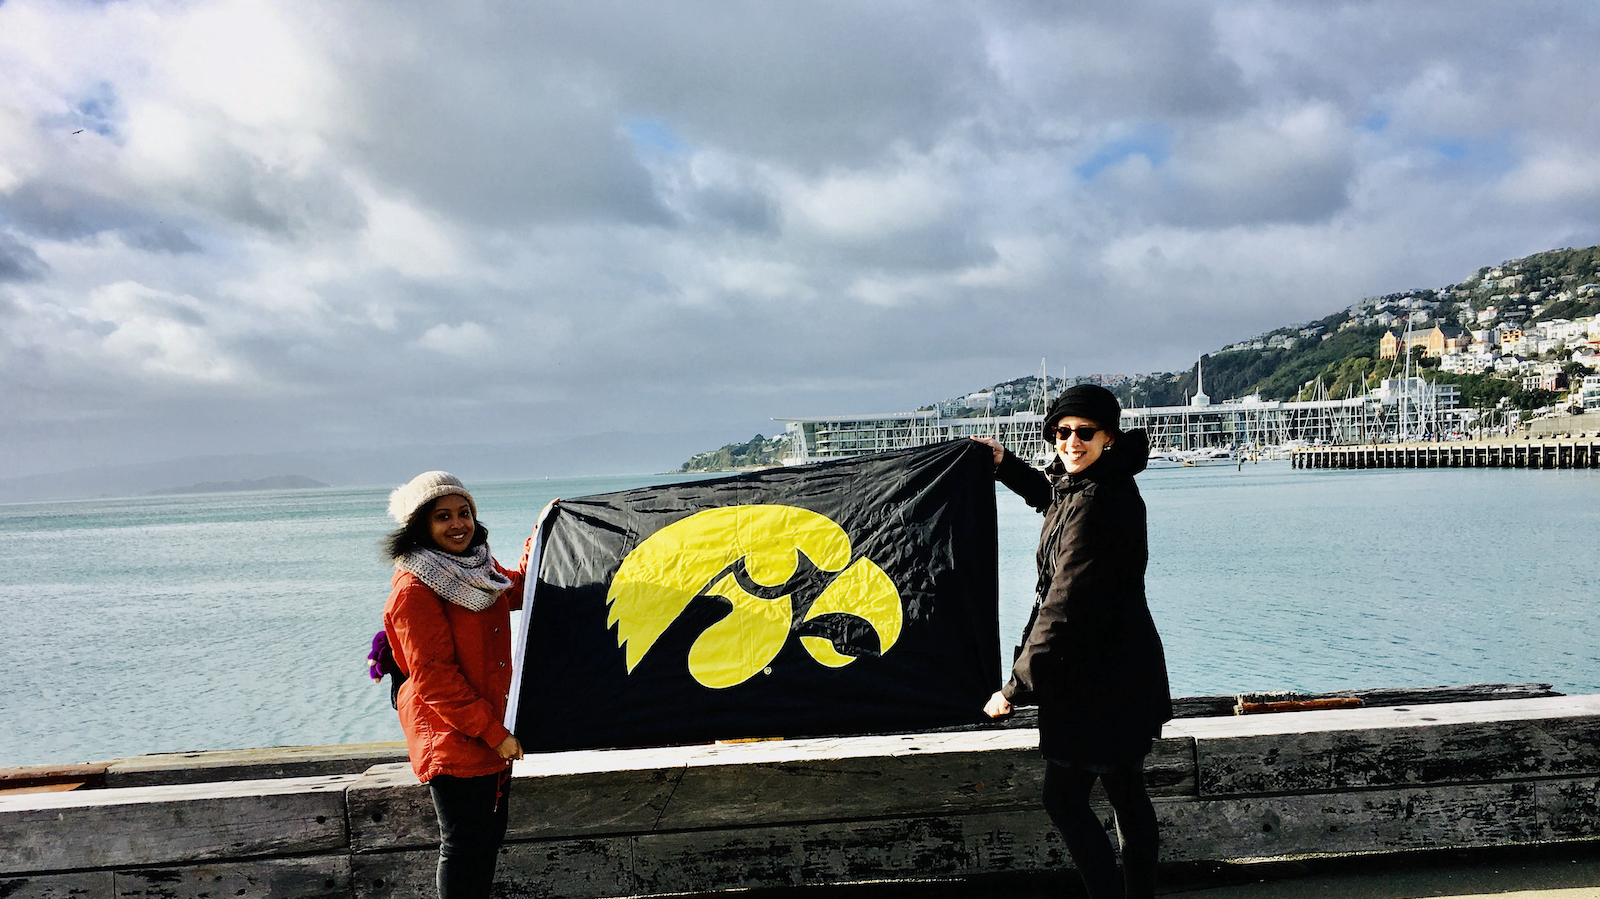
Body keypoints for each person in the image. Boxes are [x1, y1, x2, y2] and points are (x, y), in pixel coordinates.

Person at [975, 384, 1172, 899]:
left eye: (1085, 432)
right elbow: (1053, 497)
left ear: (1108, 436)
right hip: (1121, 671)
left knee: (1065, 799)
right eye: (1062, 432)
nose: (1071, 441)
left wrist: (1013, 688)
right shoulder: (1097, 485)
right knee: (1126, 793)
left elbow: (1061, 608)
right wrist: (1006, 465)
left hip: (1098, 681)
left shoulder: (1097, 500)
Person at [382, 471, 528, 899]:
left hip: (485, 723)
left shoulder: (478, 566)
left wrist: (540, 540)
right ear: (420, 526)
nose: (458, 524)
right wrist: (495, 733)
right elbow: (436, 680)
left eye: (464, 512)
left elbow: (515, 590)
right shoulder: (414, 591)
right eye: (443, 516)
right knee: (465, 847)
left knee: (486, 843)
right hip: (451, 732)